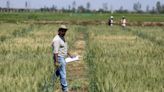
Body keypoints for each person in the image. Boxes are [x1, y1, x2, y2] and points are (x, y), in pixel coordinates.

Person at [51, 25, 72, 92]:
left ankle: (50, 83)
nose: (64, 32)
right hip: (59, 58)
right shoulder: (57, 39)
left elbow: (64, 48)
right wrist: (56, 61)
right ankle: (65, 89)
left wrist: (70, 55)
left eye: (65, 31)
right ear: (59, 31)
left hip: (62, 57)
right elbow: (55, 52)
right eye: (62, 31)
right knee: (63, 74)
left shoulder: (62, 37)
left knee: (58, 72)